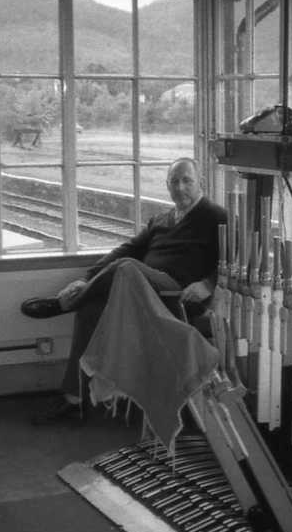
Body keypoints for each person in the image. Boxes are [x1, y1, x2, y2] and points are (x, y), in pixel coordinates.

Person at [21, 157, 227, 424]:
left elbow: (235, 259)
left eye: (187, 180)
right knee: (90, 308)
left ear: (202, 182)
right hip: (142, 293)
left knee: (127, 267)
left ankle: (61, 305)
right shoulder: (161, 220)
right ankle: (74, 399)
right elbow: (128, 248)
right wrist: (87, 278)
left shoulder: (216, 217)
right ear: (167, 186)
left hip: (176, 296)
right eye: (174, 182)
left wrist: (208, 284)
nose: (180, 187)